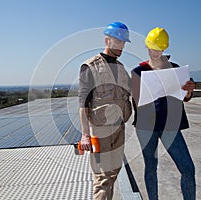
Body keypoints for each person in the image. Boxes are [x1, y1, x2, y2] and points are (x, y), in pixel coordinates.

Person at [131, 27, 196, 200]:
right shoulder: (138, 72)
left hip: (170, 126)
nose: (155, 52)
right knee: (151, 166)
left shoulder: (176, 69)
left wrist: (188, 91)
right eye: (152, 48)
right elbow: (136, 103)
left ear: (164, 48)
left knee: (188, 168)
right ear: (147, 47)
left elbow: (185, 97)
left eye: (158, 49)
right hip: (146, 127)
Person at [78, 22, 132, 200]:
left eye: (124, 43)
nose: (121, 46)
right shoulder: (90, 66)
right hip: (99, 130)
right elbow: (83, 103)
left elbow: (133, 94)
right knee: (102, 178)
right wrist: (85, 135)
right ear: (107, 40)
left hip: (119, 129)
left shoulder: (122, 69)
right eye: (118, 42)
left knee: (114, 172)